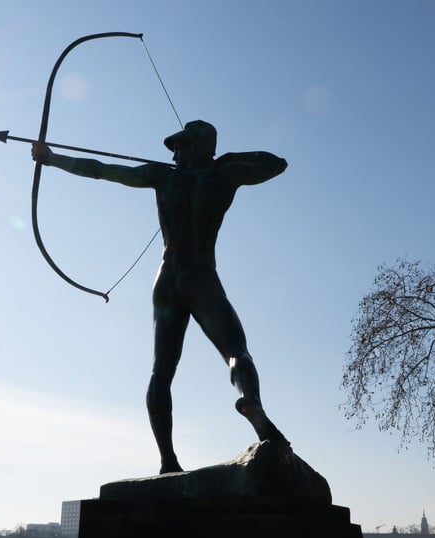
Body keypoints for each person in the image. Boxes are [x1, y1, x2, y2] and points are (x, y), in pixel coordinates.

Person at [32, 120, 288, 474]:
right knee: (235, 352)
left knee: (162, 372)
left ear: (198, 148)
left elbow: (103, 171)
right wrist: (227, 160)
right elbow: (274, 163)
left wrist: (52, 159)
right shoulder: (224, 177)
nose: (174, 153)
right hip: (200, 277)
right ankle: (249, 401)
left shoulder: (162, 177)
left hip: (167, 280)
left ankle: (168, 460)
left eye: (181, 146)